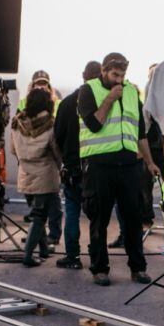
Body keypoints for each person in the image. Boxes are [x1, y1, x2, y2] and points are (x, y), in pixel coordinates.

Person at [77, 52, 159, 286]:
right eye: (114, 75)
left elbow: (140, 132)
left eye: (122, 75)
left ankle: (138, 268)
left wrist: (150, 162)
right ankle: (100, 268)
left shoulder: (132, 92)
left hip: (129, 165)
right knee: (99, 219)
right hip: (99, 165)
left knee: (133, 218)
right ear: (103, 71)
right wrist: (110, 99)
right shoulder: (88, 90)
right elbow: (93, 125)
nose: (119, 80)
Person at [53, 60, 102, 269]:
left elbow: (56, 138)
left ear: (83, 75)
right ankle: (97, 256)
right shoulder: (102, 102)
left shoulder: (66, 103)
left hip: (72, 168)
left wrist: (63, 162)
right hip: (97, 168)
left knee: (72, 212)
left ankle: (72, 256)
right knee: (97, 216)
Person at [11, 87, 61, 267]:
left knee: (37, 213)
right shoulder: (50, 123)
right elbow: (56, 152)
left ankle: (44, 250)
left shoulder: (17, 122)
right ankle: (28, 255)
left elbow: (11, 150)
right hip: (45, 175)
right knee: (39, 216)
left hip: (25, 173)